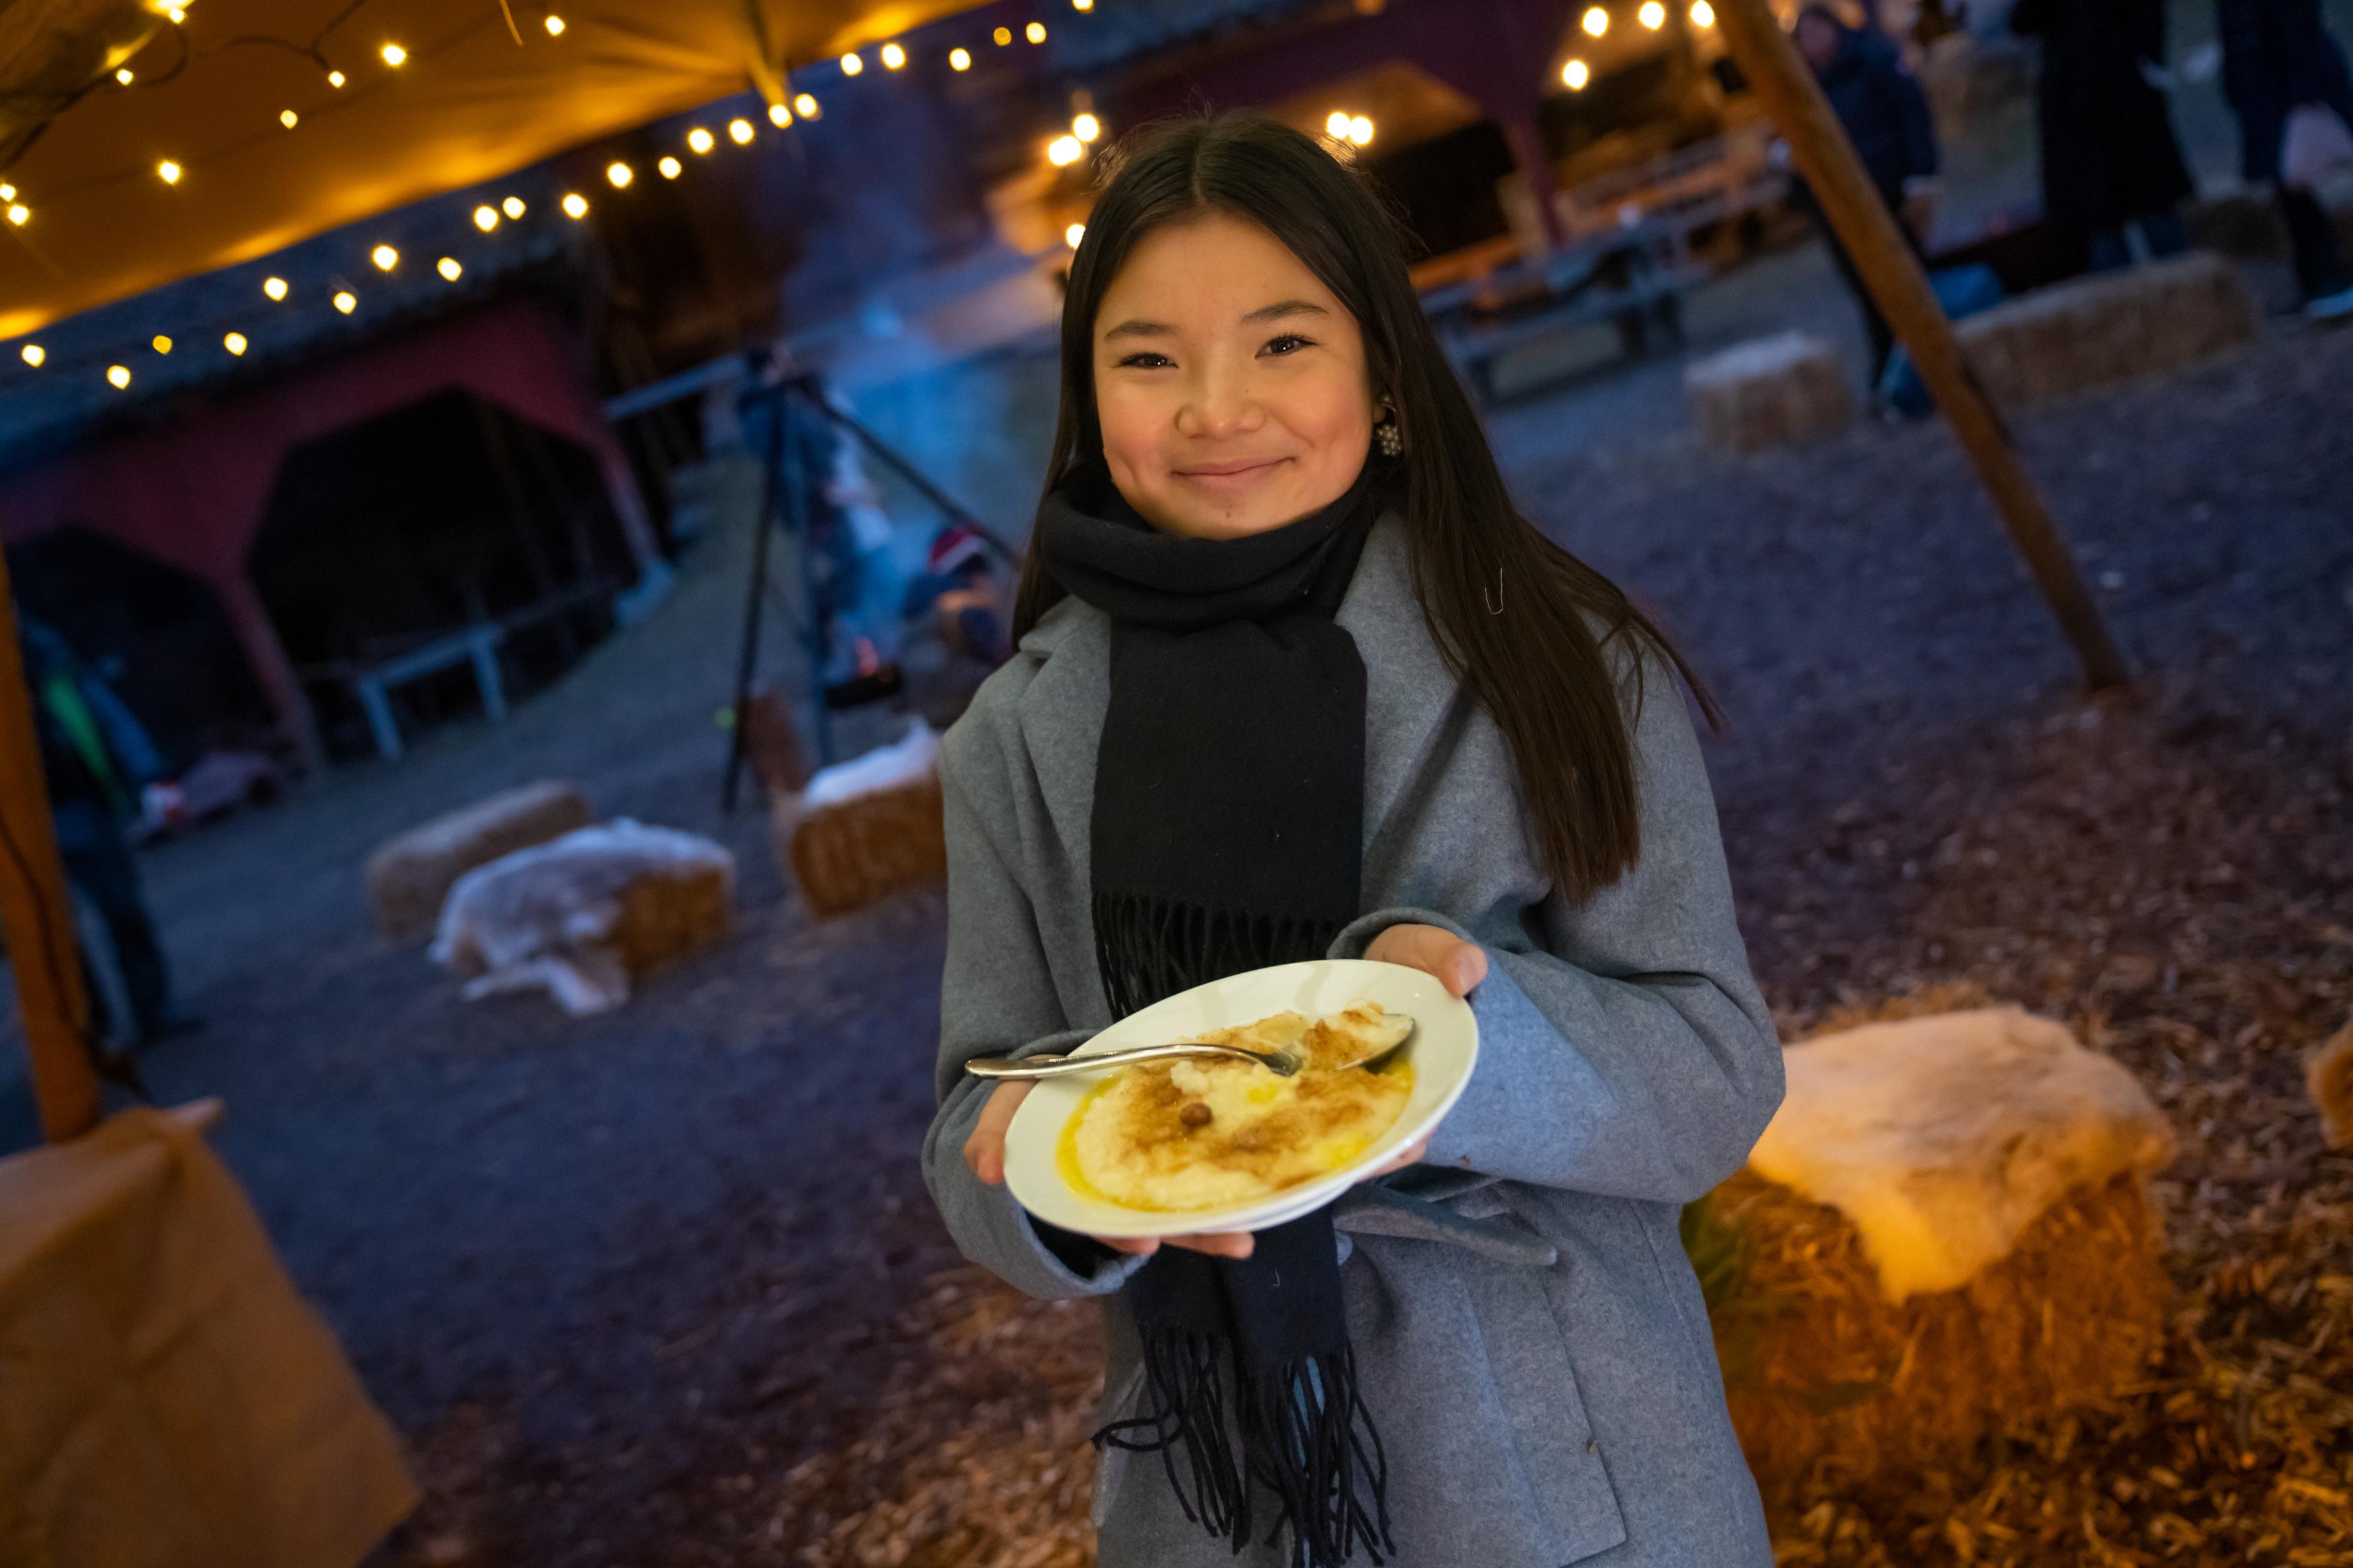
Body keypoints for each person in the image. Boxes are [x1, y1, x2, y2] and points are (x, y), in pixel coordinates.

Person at [922, 113, 1784, 1567]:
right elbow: (974, 1113)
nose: (1212, 407)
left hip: (1559, 1461)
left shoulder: (1554, 663)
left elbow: (1713, 1074)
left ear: (1382, 369)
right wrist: (1068, 1209)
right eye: (1147, 357)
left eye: (1280, 343)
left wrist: (1458, 1039)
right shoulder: (1017, 736)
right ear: (1086, 396)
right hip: (1216, 1487)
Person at [17, 615, 198, 1047]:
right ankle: (85, 1032)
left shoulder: (43, 649)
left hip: (79, 803)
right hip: (18, 823)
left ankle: (153, 1010)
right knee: (51, 932)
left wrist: (150, 771)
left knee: (123, 909)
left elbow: (103, 709)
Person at [1794, 5, 1942, 382]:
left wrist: (1920, 175)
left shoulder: (1872, 58)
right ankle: (1892, 372)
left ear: (1833, 28)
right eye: (1804, 37)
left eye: (1817, 31)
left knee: (1909, 280)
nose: (1812, 42)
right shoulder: (1804, 84)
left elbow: (1912, 112)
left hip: (1889, 189)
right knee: (1868, 290)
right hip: (1841, 207)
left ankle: (1933, 364)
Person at [2009, 0, 2196, 270]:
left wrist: (2142, 62)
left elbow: (2149, 17)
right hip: (2080, 109)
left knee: (2158, 218)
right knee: (2106, 230)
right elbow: (2024, 21)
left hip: (2124, 98)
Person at [2216, 0, 2353, 319]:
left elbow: (2298, 24)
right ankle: (2319, 278)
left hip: (2290, 91)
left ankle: (2329, 277)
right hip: (2268, 89)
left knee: (2307, 183)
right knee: (2292, 193)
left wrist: (2304, 95)